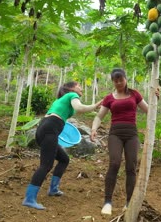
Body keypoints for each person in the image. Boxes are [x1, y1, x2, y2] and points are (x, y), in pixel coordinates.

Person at [22, 81, 102, 210]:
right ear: (71, 88)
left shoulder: (61, 99)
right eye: (78, 86)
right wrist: (96, 105)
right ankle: (29, 198)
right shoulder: (71, 95)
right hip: (50, 129)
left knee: (64, 159)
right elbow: (79, 108)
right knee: (46, 165)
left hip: (45, 129)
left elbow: (65, 115)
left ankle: (53, 189)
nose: (81, 88)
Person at [90, 68, 157, 215]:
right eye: (116, 80)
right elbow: (99, 116)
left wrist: (156, 98)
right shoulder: (109, 98)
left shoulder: (134, 94)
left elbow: (149, 110)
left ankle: (129, 202)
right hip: (115, 134)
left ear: (126, 79)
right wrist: (94, 128)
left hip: (132, 134)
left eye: (121, 79)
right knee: (114, 163)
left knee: (131, 166)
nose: (119, 83)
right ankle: (107, 202)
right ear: (113, 82)